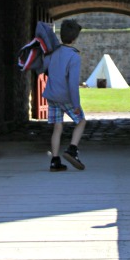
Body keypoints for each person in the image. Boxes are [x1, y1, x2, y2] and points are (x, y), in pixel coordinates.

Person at [41, 18, 86, 172]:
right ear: (75, 38)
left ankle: (55, 160)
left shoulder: (53, 52)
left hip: (51, 95)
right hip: (65, 97)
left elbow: (42, 68)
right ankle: (72, 149)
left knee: (57, 127)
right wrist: (76, 105)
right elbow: (73, 84)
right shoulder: (74, 57)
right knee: (81, 121)